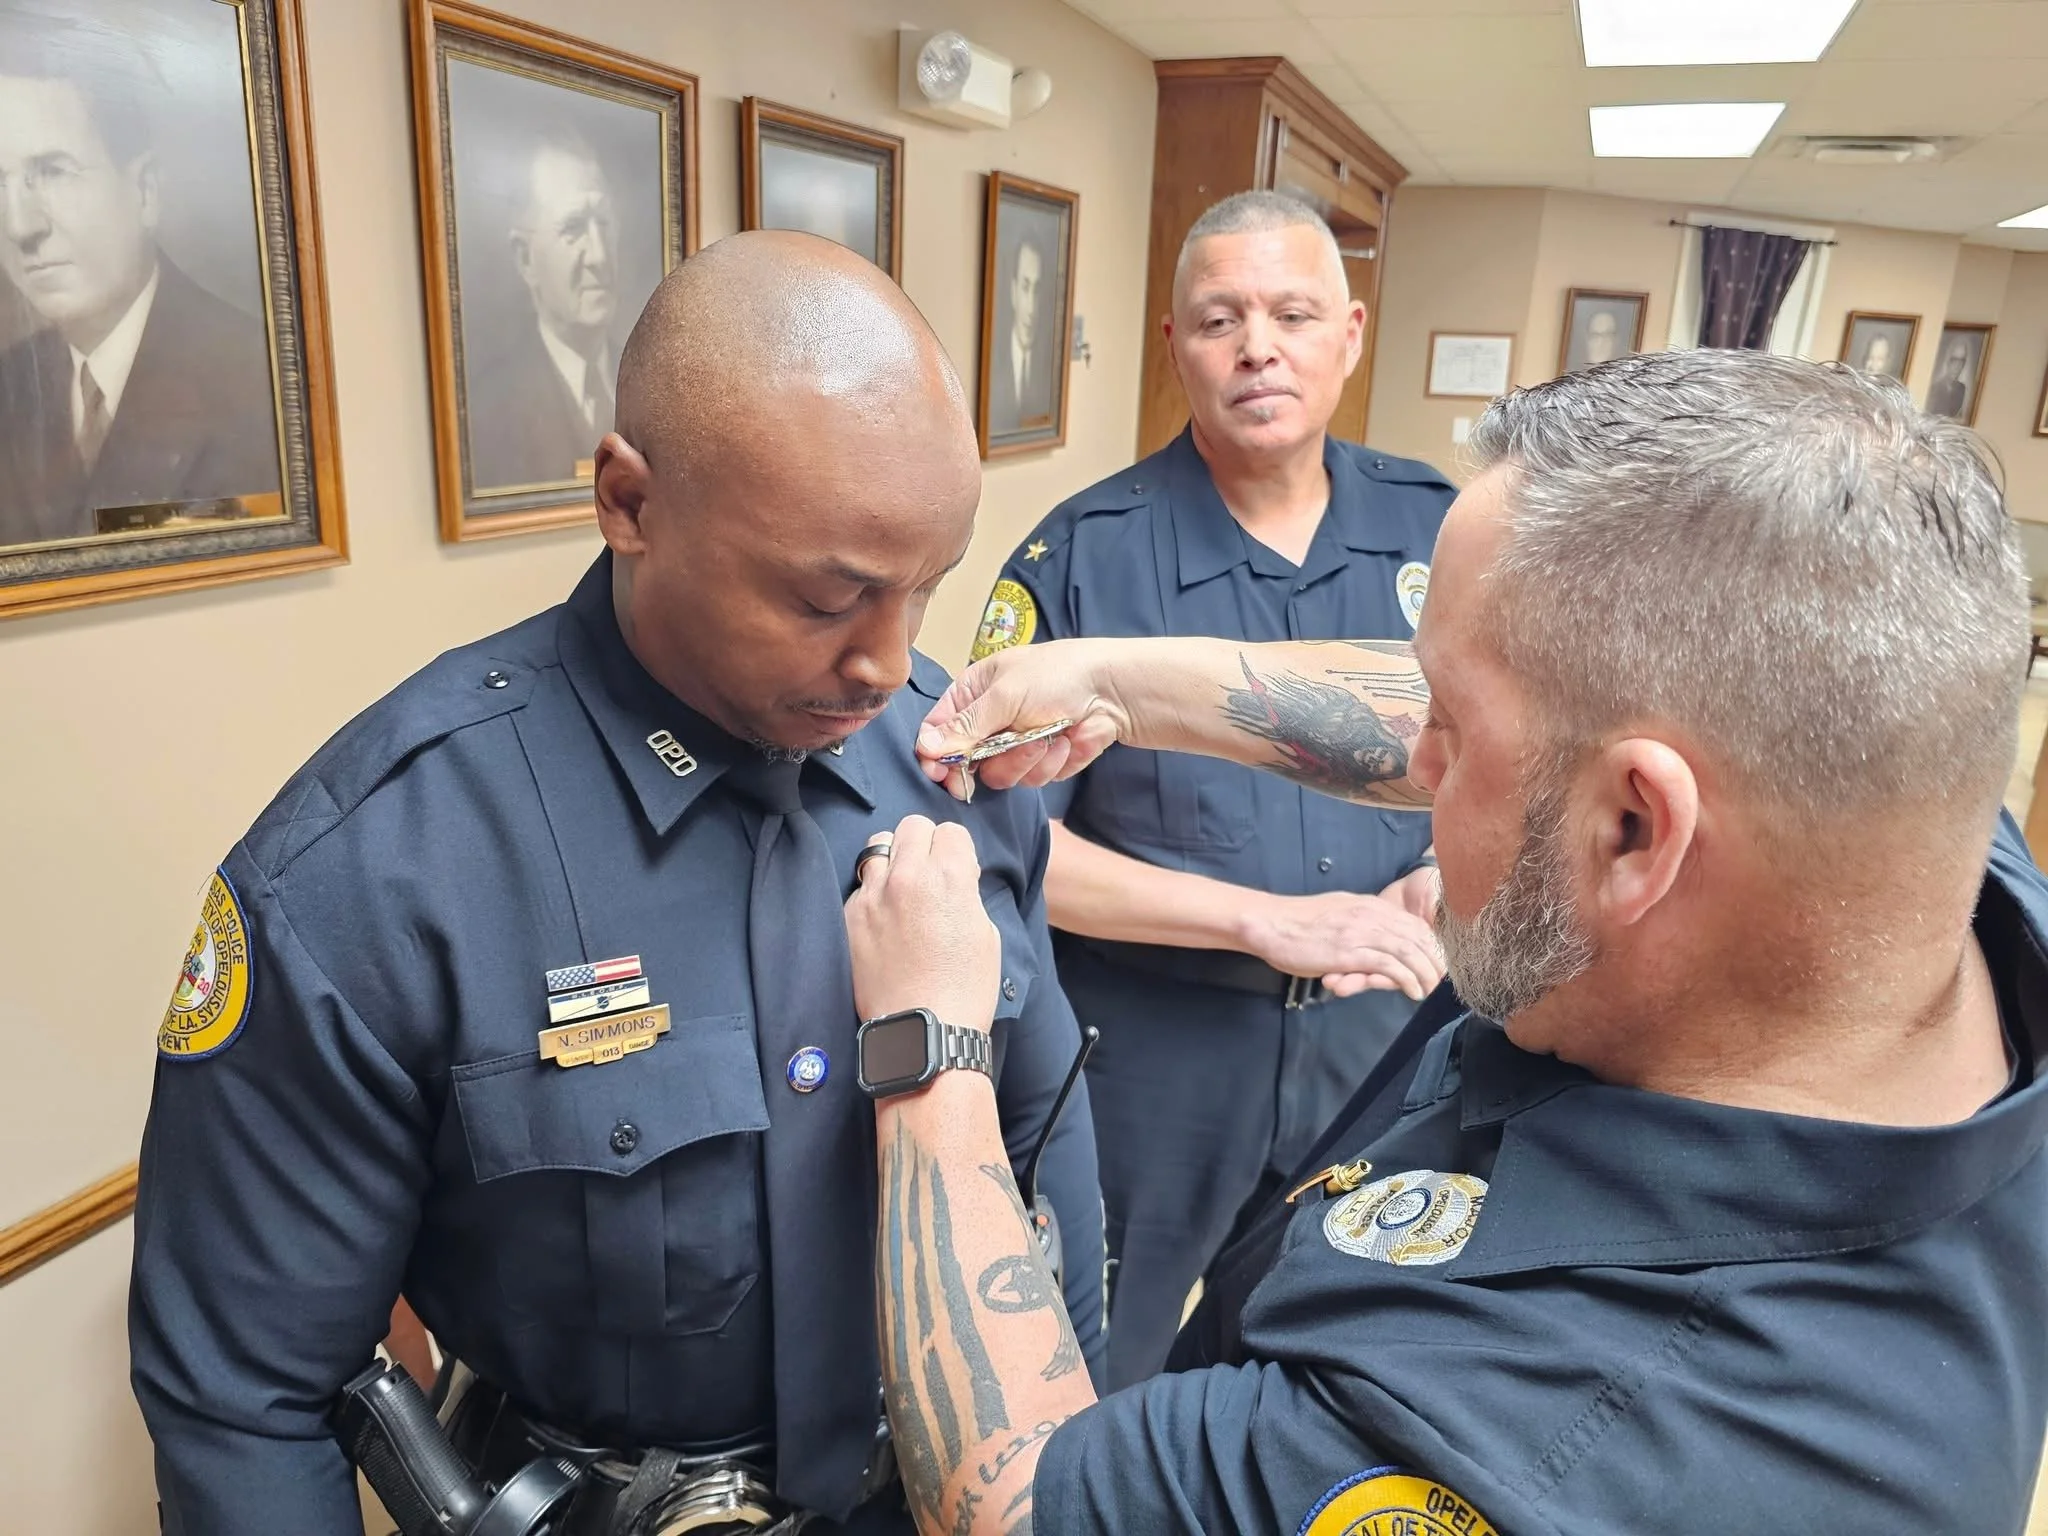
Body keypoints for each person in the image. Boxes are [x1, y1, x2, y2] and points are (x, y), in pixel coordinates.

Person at [855, 348, 2048, 1535]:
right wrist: (1124, 684)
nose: (1419, 763)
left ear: (1633, 831)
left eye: (1452, 733)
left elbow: (1010, 1503)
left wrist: (930, 1043)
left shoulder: (1542, 1435)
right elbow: (1557, 720)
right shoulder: (1895, 825)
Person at [128, 230, 1105, 1536]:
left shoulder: (951, 766)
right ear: (630, 504)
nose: (888, 662)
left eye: (925, 590)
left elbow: (1050, 1177)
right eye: (831, 599)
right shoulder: (377, 864)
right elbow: (247, 1398)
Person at [968, 189, 1452, 1387]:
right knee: (1103, 1370)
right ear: (1175, 345)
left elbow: (1530, 768)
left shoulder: (1441, 535)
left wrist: (1446, 876)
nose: (1257, 348)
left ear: (1348, 332)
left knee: (1334, 1357)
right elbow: (1014, 849)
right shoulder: (1081, 558)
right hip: (1152, 1059)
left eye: (1291, 314)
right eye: (1218, 319)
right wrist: (1259, 921)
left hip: (1379, 1040)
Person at [0, 34, 280, 547]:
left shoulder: (262, 378)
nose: (20, 227)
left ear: (145, 191)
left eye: (53, 172)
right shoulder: (9, 383)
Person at [466, 126, 626, 491]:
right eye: (574, 228)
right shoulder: (490, 405)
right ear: (525, 258)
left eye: (603, 223)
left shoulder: (650, 385)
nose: (599, 256)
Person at [988, 236, 1050, 431]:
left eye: (1037, 290)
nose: (1031, 308)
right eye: (1025, 288)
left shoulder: (1048, 366)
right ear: (1013, 291)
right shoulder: (994, 359)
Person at [1928, 334, 1972, 420]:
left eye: (1961, 361)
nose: (1957, 366)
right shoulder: (1934, 389)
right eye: (1954, 360)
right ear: (1948, 361)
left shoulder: (1961, 389)